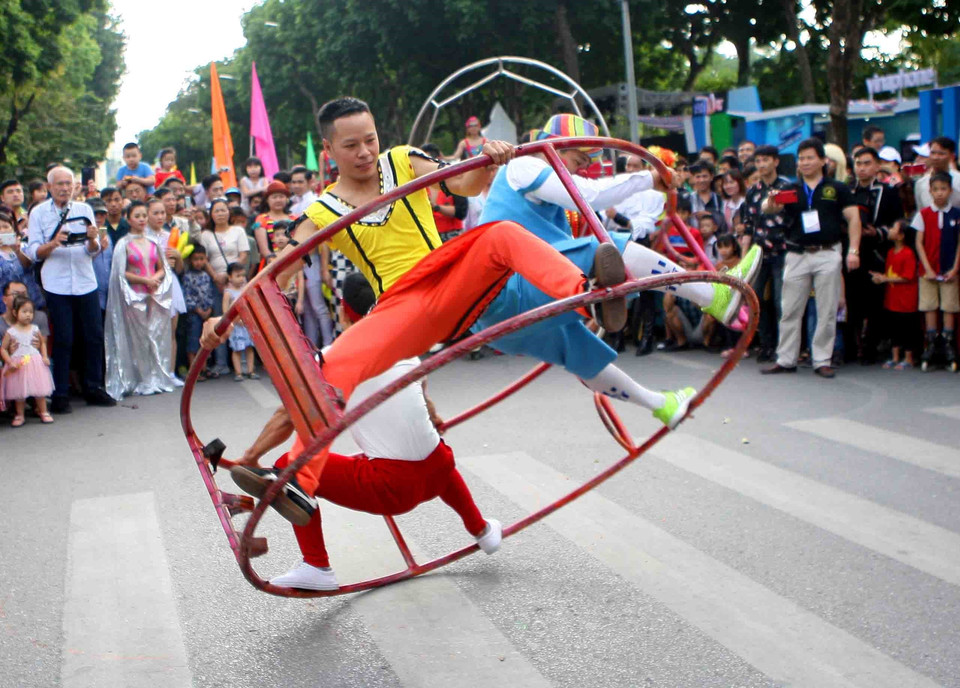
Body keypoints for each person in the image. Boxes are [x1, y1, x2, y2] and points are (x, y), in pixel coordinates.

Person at [205, 97, 637, 525]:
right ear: (329, 150)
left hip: (452, 276)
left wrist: (486, 163)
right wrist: (222, 323)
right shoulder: (322, 210)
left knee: (501, 234)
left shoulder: (401, 161)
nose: (365, 153)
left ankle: (588, 290)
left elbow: (461, 185)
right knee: (334, 369)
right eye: (351, 145)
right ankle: (300, 477)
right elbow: (281, 272)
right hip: (402, 306)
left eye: (370, 140)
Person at [470, 113, 760, 420]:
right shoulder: (523, 164)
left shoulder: (539, 196)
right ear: (553, 146)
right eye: (578, 159)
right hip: (510, 285)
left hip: (497, 319)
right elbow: (586, 194)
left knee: (580, 353)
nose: (583, 167)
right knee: (610, 249)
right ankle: (713, 296)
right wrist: (648, 178)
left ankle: (660, 406)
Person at [231, 273, 499, 590]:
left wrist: (250, 456)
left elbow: (289, 414)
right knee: (431, 450)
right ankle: (481, 529)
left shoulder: (334, 357)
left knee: (289, 468)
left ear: (344, 311)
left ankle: (316, 566)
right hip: (441, 469)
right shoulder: (404, 344)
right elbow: (422, 393)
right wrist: (435, 415)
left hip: (392, 488)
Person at [761, 138, 862, 379]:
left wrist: (853, 251)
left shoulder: (837, 188)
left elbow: (854, 219)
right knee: (789, 309)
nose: (805, 162)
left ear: (822, 160)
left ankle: (822, 360)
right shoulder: (792, 190)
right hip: (797, 254)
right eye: (801, 158)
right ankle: (785, 359)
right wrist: (771, 201)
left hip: (828, 252)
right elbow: (769, 208)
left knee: (826, 309)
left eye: (810, 158)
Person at [25, 166, 114, 412]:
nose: (65, 188)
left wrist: (94, 240)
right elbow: (32, 251)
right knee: (64, 338)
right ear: (49, 186)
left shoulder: (84, 209)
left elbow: (92, 252)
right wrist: (53, 244)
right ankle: (61, 393)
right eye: (60, 184)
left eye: (69, 183)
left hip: (86, 281)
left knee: (94, 336)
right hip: (56, 283)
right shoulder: (39, 213)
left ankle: (93, 387)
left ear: (75, 186)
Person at [104, 201, 181, 399]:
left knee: (156, 335)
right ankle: (142, 378)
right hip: (135, 296)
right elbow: (120, 273)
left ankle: (158, 376)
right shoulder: (124, 243)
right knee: (139, 338)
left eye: (143, 216)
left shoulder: (153, 241)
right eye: (137, 216)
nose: (141, 220)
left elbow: (163, 267)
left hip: (155, 295)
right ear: (128, 219)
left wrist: (155, 278)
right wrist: (144, 280)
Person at [848, 146, 904, 364]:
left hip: (876, 253)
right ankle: (851, 349)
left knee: (874, 304)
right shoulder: (847, 190)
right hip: (850, 252)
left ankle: (871, 348)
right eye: (858, 163)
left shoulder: (888, 191)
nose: (862, 168)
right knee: (851, 303)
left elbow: (898, 222)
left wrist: (878, 232)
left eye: (866, 163)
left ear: (877, 165)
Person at [741, 145, 791, 362]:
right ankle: (766, 345)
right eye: (758, 161)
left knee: (783, 302)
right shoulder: (752, 191)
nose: (761, 165)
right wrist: (744, 259)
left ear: (776, 162)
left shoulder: (787, 188)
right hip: (759, 254)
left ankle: (784, 349)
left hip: (784, 252)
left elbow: (793, 220)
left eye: (765, 160)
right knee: (757, 301)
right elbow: (748, 227)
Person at [912, 171, 960, 368]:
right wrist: (927, 268)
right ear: (930, 191)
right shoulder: (923, 214)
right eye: (935, 189)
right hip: (928, 270)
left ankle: (948, 344)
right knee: (929, 305)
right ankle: (931, 343)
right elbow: (919, 243)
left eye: (943, 189)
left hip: (950, 269)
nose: (939, 193)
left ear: (950, 191)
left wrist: (955, 268)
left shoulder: (956, 214)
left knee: (949, 306)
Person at [145, 197, 187, 373]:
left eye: (162, 212)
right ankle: (152, 373)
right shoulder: (142, 237)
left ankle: (169, 372)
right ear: (147, 215)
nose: (160, 216)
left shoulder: (170, 236)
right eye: (155, 213)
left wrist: (178, 257)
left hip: (171, 284)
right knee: (151, 331)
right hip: (150, 285)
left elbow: (178, 269)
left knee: (171, 331)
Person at [870, 219, 918, 369]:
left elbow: (906, 276)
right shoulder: (891, 252)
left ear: (901, 235)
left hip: (906, 298)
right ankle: (895, 356)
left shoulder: (908, 253)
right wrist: (880, 277)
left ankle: (909, 358)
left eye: (893, 228)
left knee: (907, 328)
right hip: (892, 298)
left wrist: (885, 278)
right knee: (893, 327)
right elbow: (890, 273)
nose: (890, 230)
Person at [0, 294, 54, 425]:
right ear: (15, 312)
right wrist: (9, 361)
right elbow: (3, 348)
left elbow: (42, 343)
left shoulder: (35, 329)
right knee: (19, 392)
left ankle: (43, 411)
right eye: (24, 311)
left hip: (34, 361)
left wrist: (45, 356)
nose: (28, 315)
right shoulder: (11, 331)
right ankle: (20, 415)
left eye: (30, 312)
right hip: (18, 363)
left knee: (39, 390)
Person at [219, 262, 258, 381]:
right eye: (238, 276)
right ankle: (238, 372)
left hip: (247, 323)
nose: (241, 278)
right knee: (237, 348)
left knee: (250, 347)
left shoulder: (245, 289)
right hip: (236, 326)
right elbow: (225, 311)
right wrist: (232, 321)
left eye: (243, 275)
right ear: (230, 277)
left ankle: (251, 370)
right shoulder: (228, 293)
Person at [181, 246, 214, 376]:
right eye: (195, 259)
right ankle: (193, 371)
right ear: (190, 260)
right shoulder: (188, 276)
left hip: (206, 313)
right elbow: (187, 295)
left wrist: (209, 308)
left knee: (205, 341)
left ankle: (204, 368)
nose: (199, 262)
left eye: (202, 259)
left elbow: (210, 292)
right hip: (194, 314)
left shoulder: (206, 275)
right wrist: (198, 310)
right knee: (193, 341)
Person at [251, 181, 295, 267]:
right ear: (267, 200)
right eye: (274, 197)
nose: (278, 200)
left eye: (281, 197)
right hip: (271, 264)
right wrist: (274, 260)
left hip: (294, 261)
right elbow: (264, 249)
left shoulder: (294, 218)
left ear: (286, 199)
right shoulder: (262, 219)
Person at [914, 136, 960, 210]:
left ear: (952, 156)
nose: (935, 157)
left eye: (941, 154)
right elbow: (921, 212)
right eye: (933, 153)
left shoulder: (958, 180)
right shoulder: (921, 183)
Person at [688, 161, 722, 229]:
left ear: (711, 177)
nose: (701, 180)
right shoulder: (688, 199)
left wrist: (710, 216)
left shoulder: (719, 199)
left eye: (705, 176)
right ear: (693, 178)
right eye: (698, 177)